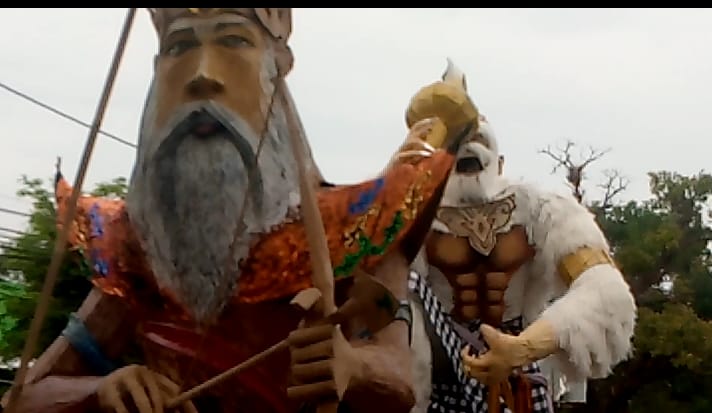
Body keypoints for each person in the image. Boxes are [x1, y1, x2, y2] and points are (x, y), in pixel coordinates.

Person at [2, 9, 476, 413]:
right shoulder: (140, 250)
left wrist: (352, 366)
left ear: (277, 66)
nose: (202, 74)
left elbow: (398, 379)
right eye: (179, 46)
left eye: (233, 41)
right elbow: (25, 396)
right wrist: (102, 389)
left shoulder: (356, 229)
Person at [401, 60, 637, 413]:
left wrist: (524, 348)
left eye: (477, 139)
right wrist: (395, 181)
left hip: (519, 376)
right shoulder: (413, 214)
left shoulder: (543, 209)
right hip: (439, 376)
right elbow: (373, 288)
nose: (466, 149)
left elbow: (604, 287)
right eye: (456, 140)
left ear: (500, 161)